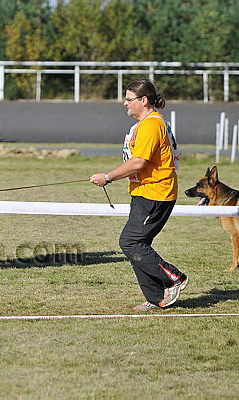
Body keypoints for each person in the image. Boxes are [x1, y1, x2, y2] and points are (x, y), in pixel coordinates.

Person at [89, 79, 187, 311]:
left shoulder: (152, 125)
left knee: (130, 241)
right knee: (137, 243)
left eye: (129, 99)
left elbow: (138, 163)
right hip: (145, 192)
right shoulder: (145, 124)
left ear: (143, 100)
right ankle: (156, 298)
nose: (125, 103)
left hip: (156, 193)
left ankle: (174, 278)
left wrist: (108, 177)